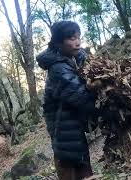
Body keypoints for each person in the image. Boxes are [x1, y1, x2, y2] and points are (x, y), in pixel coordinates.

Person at [36, 21, 99, 180]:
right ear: (58, 42)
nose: (77, 42)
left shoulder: (73, 59)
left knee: (84, 168)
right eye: (71, 38)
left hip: (74, 128)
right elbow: (81, 97)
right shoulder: (58, 69)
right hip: (64, 132)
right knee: (72, 170)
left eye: (78, 37)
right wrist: (105, 107)